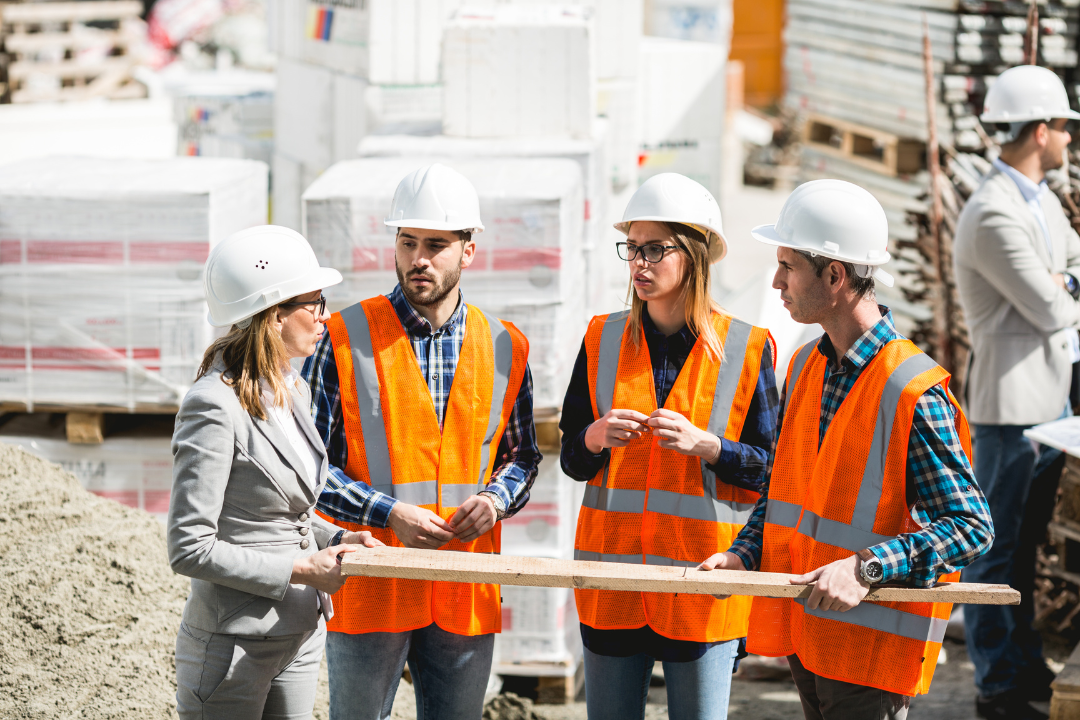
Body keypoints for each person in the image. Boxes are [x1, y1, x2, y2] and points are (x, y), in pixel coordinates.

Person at [702, 179, 994, 720]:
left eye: (788, 265)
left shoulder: (911, 389)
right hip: (809, 639)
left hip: (868, 655)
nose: (776, 280)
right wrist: (742, 553)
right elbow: (786, 491)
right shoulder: (806, 365)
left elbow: (970, 527)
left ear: (835, 275)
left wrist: (866, 569)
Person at [302, 163, 542, 720]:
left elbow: (522, 457)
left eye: (436, 244)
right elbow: (310, 470)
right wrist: (389, 514)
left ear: (469, 250)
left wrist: (494, 501)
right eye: (408, 242)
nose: (419, 259)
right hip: (372, 579)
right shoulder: (342, 337)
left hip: (465, 582)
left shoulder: (507, 345)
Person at [559, 172, 779, 720]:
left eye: (655, 248)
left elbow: (774, 473)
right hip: (612, 584)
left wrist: (710, 447)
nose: (639, 263)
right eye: (632, 248)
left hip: (703, 582)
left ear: (696, 256)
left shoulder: (748, 349)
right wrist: (594, 436)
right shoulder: (600, 338)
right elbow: (571, 458)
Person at [168, 225, 383, 719]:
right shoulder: (213, 407)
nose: (325, 315)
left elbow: (288, 514)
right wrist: (302, 569)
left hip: (300, 634)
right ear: (272, 314)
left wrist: (338, 539)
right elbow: (189, 547)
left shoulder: (292, 388)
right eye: (315, 302)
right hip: (234, 646)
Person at [954, 64, 1080, 720]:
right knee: (994, 548)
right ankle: (997, 686)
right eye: (1064, 125)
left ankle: (1023, 663)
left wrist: (1065, 283)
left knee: (1024, 545)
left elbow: (1071, 277)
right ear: (1039, 129)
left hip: (1048, 403)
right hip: (1011, 410)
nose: (1069, 138)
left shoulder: (1041, 200)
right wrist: (1066, 286)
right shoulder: (993, 214)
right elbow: (1052, 308)